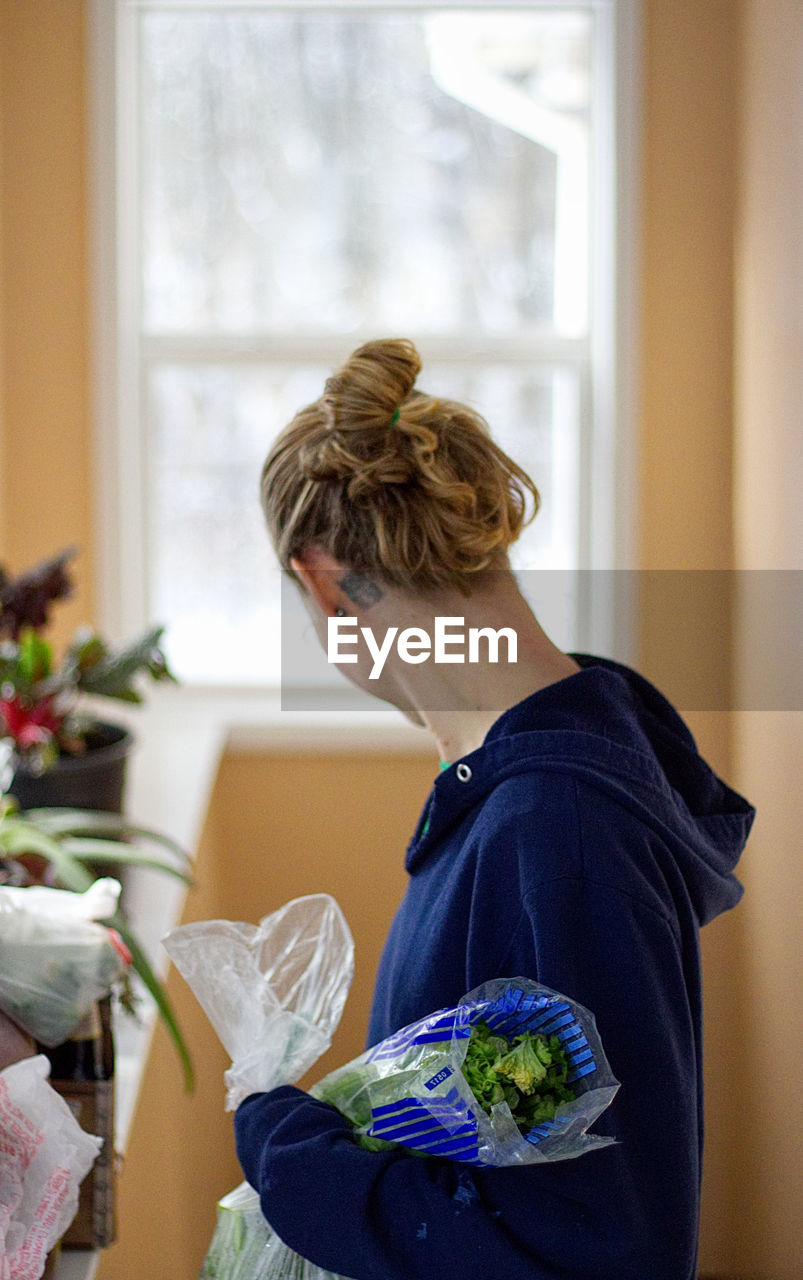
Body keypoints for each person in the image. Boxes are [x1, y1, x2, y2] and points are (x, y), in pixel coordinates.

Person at [234, 338, 754, 1280]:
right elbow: (515, 1138)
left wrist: (295, 1164)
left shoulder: (555, 833)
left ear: (323, 583)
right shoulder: (522, 792)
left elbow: (593, 1248)